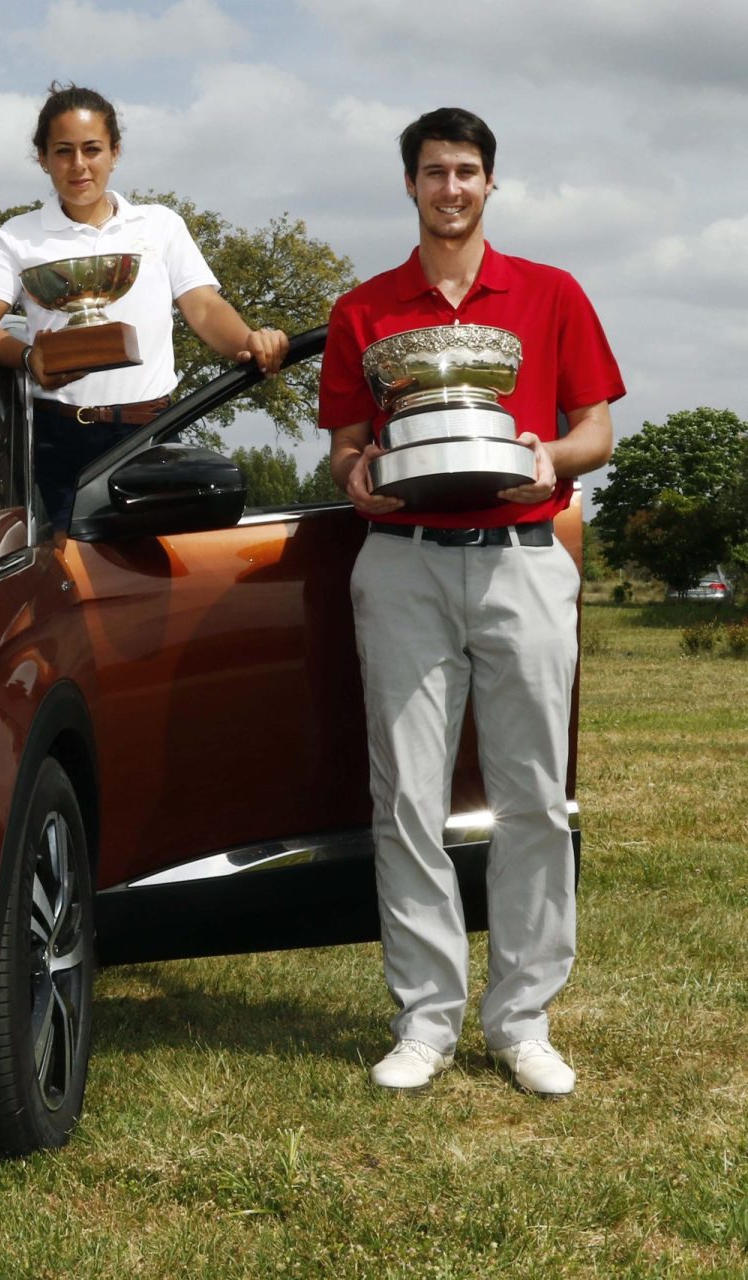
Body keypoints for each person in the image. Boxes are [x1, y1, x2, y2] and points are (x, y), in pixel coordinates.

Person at [318, 107, 623, 1097]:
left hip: (524, 556)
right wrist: (358, 471)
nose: (451, 188)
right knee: (406, 798)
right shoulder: (364, 311)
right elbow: (347, 446)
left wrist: (547, 454)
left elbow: (597, 431)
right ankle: (427, 1017)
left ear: (490, 184)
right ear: (409, 185)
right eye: (434, 172)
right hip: (403, 559)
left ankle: (523, 1017)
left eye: (467, 171)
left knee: (533, 794)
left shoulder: (552, 293)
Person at [0, 83, 288, 527]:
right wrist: (29, 358)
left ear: (115, 151)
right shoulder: (16, 236)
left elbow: (204, 307)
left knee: (156, 580)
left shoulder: (159, 224)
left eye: (92, 149)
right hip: (55, 438)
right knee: (69, 580)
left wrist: (250, 341)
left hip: (151, 432)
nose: (79, 166)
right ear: (43, 157)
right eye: (63, 151)